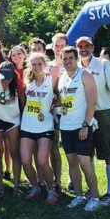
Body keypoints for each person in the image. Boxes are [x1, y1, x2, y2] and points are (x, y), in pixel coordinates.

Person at [78, 37, 110, 207]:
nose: (83, 49)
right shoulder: (75, 66)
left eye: (86, 46)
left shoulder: (104, 64)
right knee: (87, 152)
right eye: (80, 46)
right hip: (83, 115)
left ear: (93, 47)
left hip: (102, 112)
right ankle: (92, 189)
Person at [58, 46, 102, 211]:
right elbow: (63, 101)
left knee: (85, 163)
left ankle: (95, 198)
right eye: (65, 58)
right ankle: (78, 196)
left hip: (82, 126)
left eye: (71, 58)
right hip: (66, 125)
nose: (68, 61)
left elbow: (92, 102)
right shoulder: (62, 77)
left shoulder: (85, 75)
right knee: (72, 163)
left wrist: (85, 125)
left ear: (76, 59)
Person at [20, 53, 59, 204]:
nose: (36, 67)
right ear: (30, 66)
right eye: (33, 64)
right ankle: (35, 187)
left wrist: (55, 107)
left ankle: (51, 190)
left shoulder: (52, 79)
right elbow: (23, 100)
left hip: (45, 126)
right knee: (25, 160)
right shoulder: (27, 80)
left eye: (39, 64)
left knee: (42, 161)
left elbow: (60, 96)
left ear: (44, 64)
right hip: (28, 125)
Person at [0, 61, 25, 197]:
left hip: (12, 120)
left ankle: (16, 186)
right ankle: (0, 186)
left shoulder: (19, 84)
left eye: (9, 77)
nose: (6, 80)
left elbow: (23, 103)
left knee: (15, 152)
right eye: (4, 76)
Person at [46, 32, 66, 194]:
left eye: (62, 45)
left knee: (74, 147)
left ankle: (73, 181)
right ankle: (56, 181)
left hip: (70, 110)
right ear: (52, 47)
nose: (59, 48)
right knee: (53, 146)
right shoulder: (49, 65)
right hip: (53, 111)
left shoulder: (73, 64)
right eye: (56, 45)